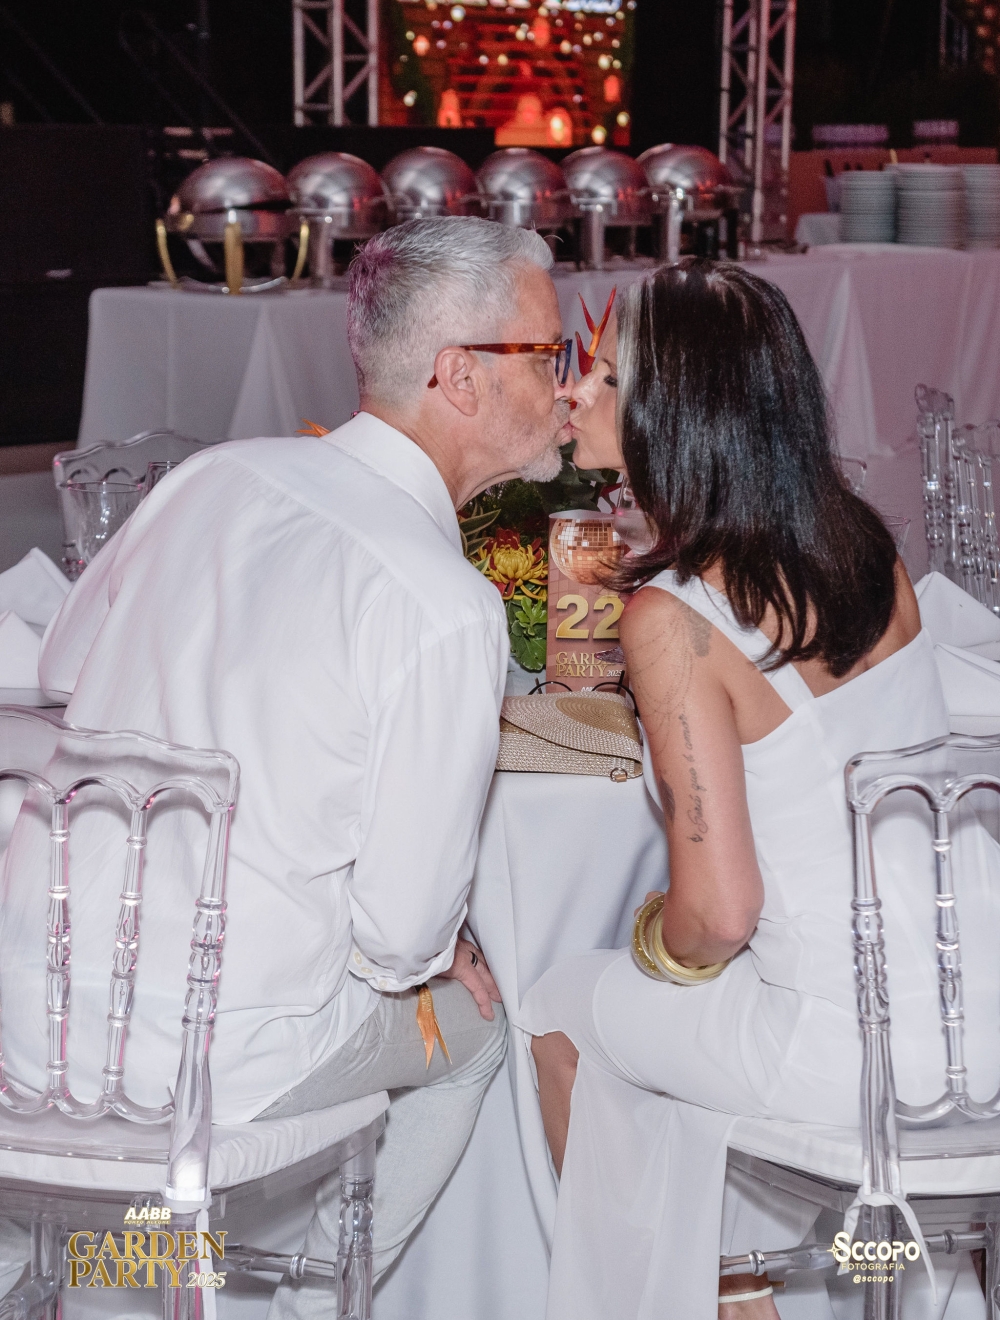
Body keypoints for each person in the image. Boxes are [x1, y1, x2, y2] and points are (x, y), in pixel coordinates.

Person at [4, 216, 574, 1300]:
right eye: (549, 353)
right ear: (459, 375)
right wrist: (443, 942)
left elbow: (65, 664)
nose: (568, 383)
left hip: (35, 1009)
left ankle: (117, 1279)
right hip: (207, 1062)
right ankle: (307, 1298)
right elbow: (400, 940)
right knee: (478, 1030)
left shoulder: (212, 476)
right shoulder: (441, 603)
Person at [524, 259, 1000, 1320]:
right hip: (977, 1020)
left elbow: (720, 914)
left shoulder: (674, 619)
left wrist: (655, 941)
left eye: (604, 376)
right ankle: (742, 1288)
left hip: (851, 1057)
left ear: (678, 412)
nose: (573, 390)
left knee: (559, 1009)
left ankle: (716, 1295)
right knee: (678, 1031)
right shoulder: (864, 547)